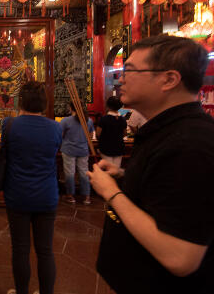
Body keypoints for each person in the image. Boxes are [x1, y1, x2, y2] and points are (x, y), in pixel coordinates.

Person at [88, 35, 214, 294]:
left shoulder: (191, 144)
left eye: (130, 71)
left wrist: (111, 192)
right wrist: (124, 175)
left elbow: (180, 256)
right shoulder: (166, 130)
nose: (120, 78)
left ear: (169, 79)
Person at [0, 81, 62, 294]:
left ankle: (21, 291)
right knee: (45, 251)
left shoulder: (9, 125)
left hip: (17, 194)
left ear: (21, 101)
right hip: (47, 195)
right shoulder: (55, 127)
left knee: (20, 249)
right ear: (44, 102)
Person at [59, 102, 94, 204]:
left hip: (68, 149)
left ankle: (70, 196)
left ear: (71, 108)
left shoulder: (66, 121)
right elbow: (90, 136)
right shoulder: (89, 120)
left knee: (70, 173)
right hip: (83, 149)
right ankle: (87, 197)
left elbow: (60, 135)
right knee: (84, 173)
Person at [95, 96, 127, 167]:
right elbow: (125, 134)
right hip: (119, 148)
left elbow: (98, 134)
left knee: (108, 170)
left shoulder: (104, 119)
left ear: (108, 106)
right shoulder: (123, 119)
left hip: (106, 148)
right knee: (116, 169)